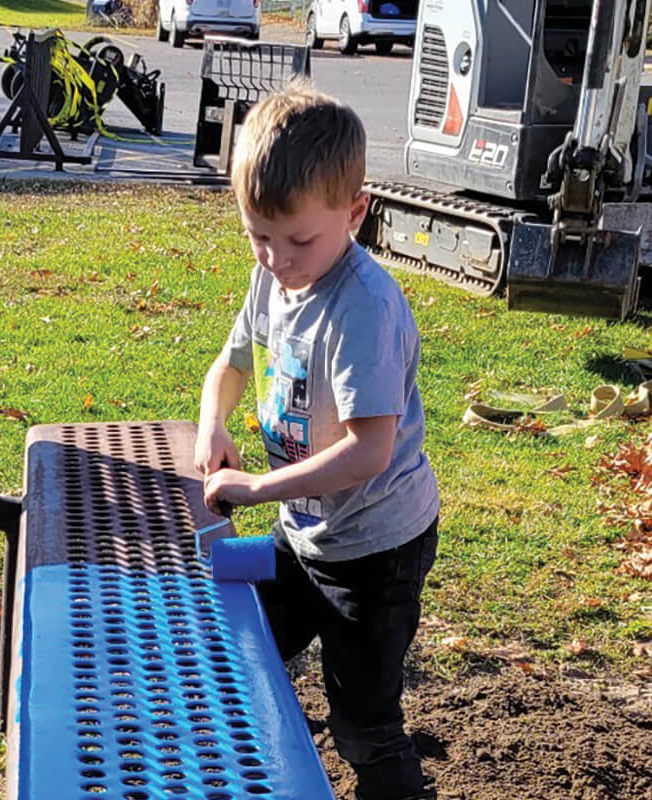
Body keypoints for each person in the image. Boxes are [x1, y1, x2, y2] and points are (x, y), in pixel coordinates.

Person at [194, 81, 440, 800]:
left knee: (362, 718)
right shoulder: (272, 279)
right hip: (302, 537)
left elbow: (369, 452)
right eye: (258, 237)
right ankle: (266, 768)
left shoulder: (362, 309)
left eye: (299, 239)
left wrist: (259, 488)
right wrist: (214, 422)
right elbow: (232, 363)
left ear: (355, 214)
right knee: (241, 652)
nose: (277, 259)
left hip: (375, 550)